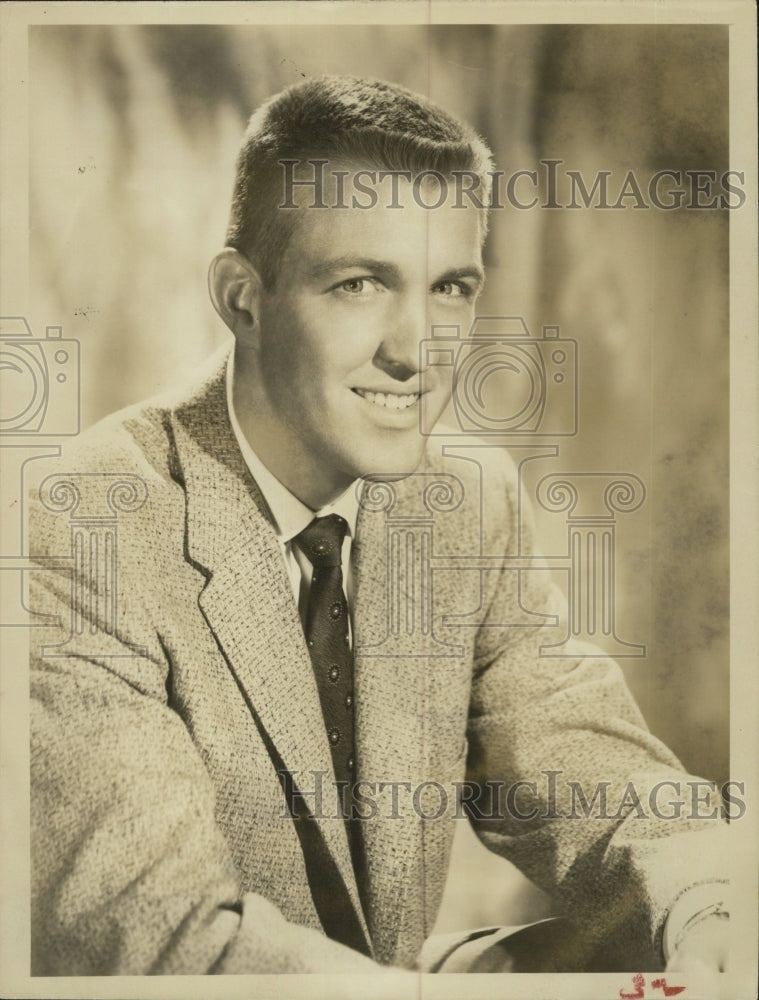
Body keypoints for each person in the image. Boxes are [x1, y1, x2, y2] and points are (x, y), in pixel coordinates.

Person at [29, 75, 728, 977]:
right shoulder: (83, 521)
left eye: (450, 287)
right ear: (242, 297)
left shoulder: (464, 499)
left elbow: (585, 763)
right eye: (358, 284)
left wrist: (711, 904)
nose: (415, 352)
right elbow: (165, 942)